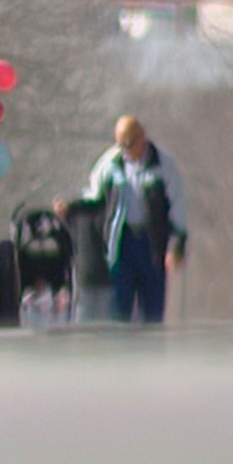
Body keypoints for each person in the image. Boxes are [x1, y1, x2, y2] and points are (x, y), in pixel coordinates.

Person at [55, 115, 188, 323]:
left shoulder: (163, 165)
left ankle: (151, 352)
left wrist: (178, 245)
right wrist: (71, 207)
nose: (126, 149)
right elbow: (94, 196)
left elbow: (178, 206)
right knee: (118, 311)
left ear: (142, 136)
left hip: (151, 244)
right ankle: (120, 351)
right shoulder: (111, 162)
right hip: (121, 243)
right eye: (122, 144)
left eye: (130, 143)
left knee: (152, 312)